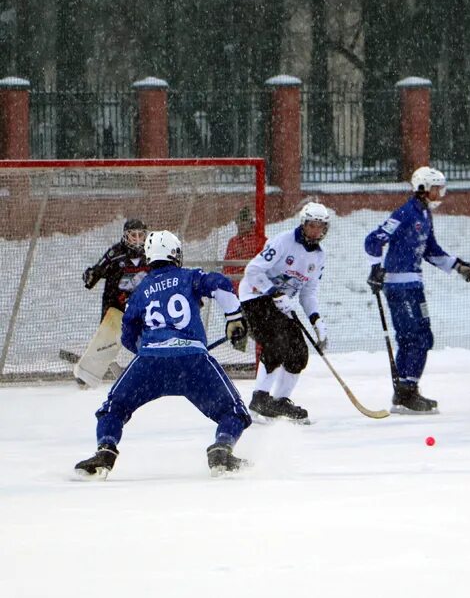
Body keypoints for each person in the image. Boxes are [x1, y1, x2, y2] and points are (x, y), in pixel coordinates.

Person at [73, 230, 252, 480]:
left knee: (114, 408)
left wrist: (148, 353)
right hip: (193, 361)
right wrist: (234, 317)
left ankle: (105, 450)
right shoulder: (190, 277)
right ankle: (222, 447)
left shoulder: (141, 290)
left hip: (150, 362)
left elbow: (127, 333)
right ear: (176, 254)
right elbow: (219, 283)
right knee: (234, 411)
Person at [364, 166, 470, 414]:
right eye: (437, 189)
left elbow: (430, 250)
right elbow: (373, 240)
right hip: (399, 285)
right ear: (423, 188)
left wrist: (458, 266)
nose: (441, 194)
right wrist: (375, 269)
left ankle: (408, 389)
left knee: (422, 337)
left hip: (415, 285)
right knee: (413, 337)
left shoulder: (425, 215)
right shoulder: (405, 213)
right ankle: (405, 393)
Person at [238, 202, 331, 423]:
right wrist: (274, 292)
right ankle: (260, 398)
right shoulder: (283, 241)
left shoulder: (319, 256)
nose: (316, 231)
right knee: (277, 343)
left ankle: (279, 402)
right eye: (312, 226)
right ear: (303, 223)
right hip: (255, 297)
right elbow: (252, 271)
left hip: (280, 305)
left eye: (321, 227)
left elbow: (308, 293)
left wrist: (316, 321)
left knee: (299, 351)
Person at [75, 218, 151, 387]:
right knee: (108, 338)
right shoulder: (116, 254)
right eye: (133, 236)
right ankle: (89, 372)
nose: (138, 239)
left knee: (150, 336)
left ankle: (152, 368)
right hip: (117, 307)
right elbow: (96, 273)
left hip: (142, 307)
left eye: (141, 235)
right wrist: (90, 275)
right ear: (126, 237)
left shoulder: (151, 253)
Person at [222, 206, 261, 286]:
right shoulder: (233, 242)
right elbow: (227, 266)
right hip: (235, 285)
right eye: (239, 222)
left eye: (244, 222)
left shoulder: (259, 240)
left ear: (250, 223)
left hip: (254, 285)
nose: (241, 225)